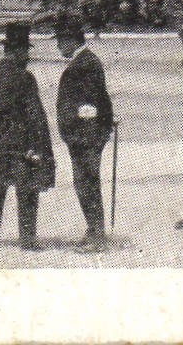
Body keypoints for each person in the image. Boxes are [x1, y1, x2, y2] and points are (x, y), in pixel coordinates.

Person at [0, 22, 55, 249]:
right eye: (25, 51)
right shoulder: (25, 79)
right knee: (27, 193)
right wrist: (43, 149)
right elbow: (37, 117)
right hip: (20, 148)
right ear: (18, 51)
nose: (27, 56)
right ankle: (27, 240)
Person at [55, 19, 117, 250]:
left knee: (86, 182)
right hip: (84, 135)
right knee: (85, 182)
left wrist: (88, 128)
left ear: (72, 40)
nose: (59, 46)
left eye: (61, 41)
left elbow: (92, 102)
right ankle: (93, 230)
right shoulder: (85, 60)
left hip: (85, 136)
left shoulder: (85, 63)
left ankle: (96, 235)